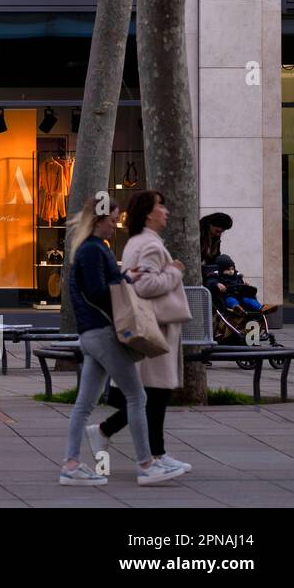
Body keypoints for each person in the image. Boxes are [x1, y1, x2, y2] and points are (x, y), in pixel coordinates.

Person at [59, 196, 182, 487]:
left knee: (84, 404)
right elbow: (98, 292)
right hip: (102, 333)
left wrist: (125, 275)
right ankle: (146, 465)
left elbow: (98, 287)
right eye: (113, 220)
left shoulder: (89, 249)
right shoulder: (93, 250)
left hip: (90, 335)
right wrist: (125, 281)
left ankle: (72, 464)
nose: (116, 226)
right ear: (99, 220)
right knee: (138, 397)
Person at [94, 191, 193, 476]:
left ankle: (154, 453)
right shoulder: (150, 244)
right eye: (161, 206)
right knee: (153, 396)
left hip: (147, 328)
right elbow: (146, 285)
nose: (166, 211)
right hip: (155, 329)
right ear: (149, 212)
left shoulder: (137, 242)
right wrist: (175, 271)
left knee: (151, 396)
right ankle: (149, 455)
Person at [206, 253, 274, 314]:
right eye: (227, 270)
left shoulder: (237, 276)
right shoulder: (217, 276)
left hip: (241, 296)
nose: (231, 271)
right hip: (228, 296)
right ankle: (237, 308)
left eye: (232, 269)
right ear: (221, 270)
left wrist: (246, 286)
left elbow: (241, 285)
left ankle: (261, 308)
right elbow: (210, 282)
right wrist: (217, 284)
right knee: (231, 300)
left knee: (249, 300)